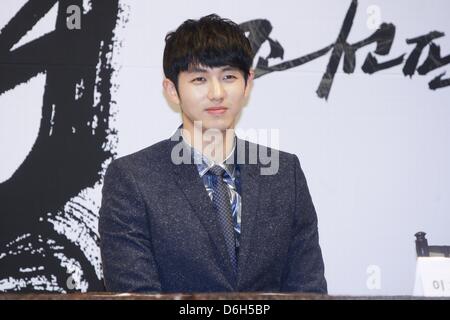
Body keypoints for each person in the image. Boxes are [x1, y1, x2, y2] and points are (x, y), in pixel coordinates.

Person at [99, 14, 327, 293]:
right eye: (199, 79)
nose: (217, 93)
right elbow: (136, 294)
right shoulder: (132, 179)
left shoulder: (283, 172)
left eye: (229, 76)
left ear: (248, 83)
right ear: (172, 90)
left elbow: (307, 289)